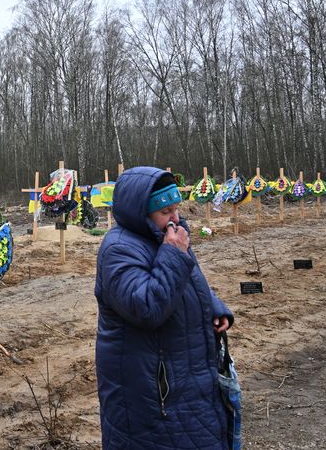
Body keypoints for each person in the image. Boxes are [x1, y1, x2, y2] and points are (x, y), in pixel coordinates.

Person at [95, 166, 234, 449]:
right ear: (140, 212)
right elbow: (145, 307)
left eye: (176, 208)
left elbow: (189, 281)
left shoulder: (167, 238)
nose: (175, 218)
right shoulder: (119, 249)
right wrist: (173, 254)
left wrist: (214, 307)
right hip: (151, 390)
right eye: (165, 212)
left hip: (183, 372)